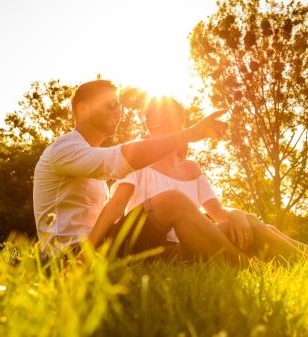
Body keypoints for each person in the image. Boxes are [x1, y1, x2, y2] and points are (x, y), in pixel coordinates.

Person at [33, 80, 245, 264]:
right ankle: (243, 266)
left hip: (100, 247)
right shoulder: (64, 150)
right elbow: (122, 159)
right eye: (110, 105)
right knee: (172, 201)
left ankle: (250, 261)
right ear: (83, 109)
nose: (118, 111)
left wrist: (236, 214)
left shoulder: (90, 157)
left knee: (242, 226)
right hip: (67, 255)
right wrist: (188, 134)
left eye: (119, 106)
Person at [90, 96, 308, 261]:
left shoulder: (192, 168)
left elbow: (219, 214)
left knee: (255, 223)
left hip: (192, 242)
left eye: (162, 115)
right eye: (150, 117)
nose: (154, 120)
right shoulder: (138, 162)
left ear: (180, 124)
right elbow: (115, 205)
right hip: (159, 250)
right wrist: (89, 250)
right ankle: (261, 269)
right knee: (255, 228)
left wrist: (239, 214)